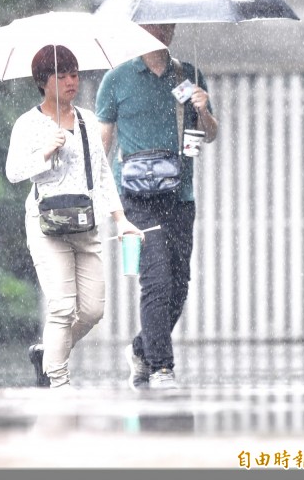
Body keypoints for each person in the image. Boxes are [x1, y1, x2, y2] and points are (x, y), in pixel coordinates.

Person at [6, 45, 141, 389]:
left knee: (93, 310)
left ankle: (46, 352)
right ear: (42, 82)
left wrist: (120, 218)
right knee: (62, 308)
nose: (71, 81)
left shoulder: (87, 120)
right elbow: (13, 172)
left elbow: (102, 172)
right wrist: (45, 151)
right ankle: (57, 381)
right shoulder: (28, 124)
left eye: (74, 74)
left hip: (85, 224)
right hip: (46, 226)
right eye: (61, 75)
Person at [95, 23, 218, 391]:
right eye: (152, 27)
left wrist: (203, 108)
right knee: (156, 281)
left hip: (179, 196)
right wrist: (103, 199)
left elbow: (209, 134)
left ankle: (140, 348)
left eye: (166, 26)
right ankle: (162, 367)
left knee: (179, 285)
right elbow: (103, 146)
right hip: (136, 198)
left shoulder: (189, 75)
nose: (160, 32)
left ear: (173, 30)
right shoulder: (116, 79)